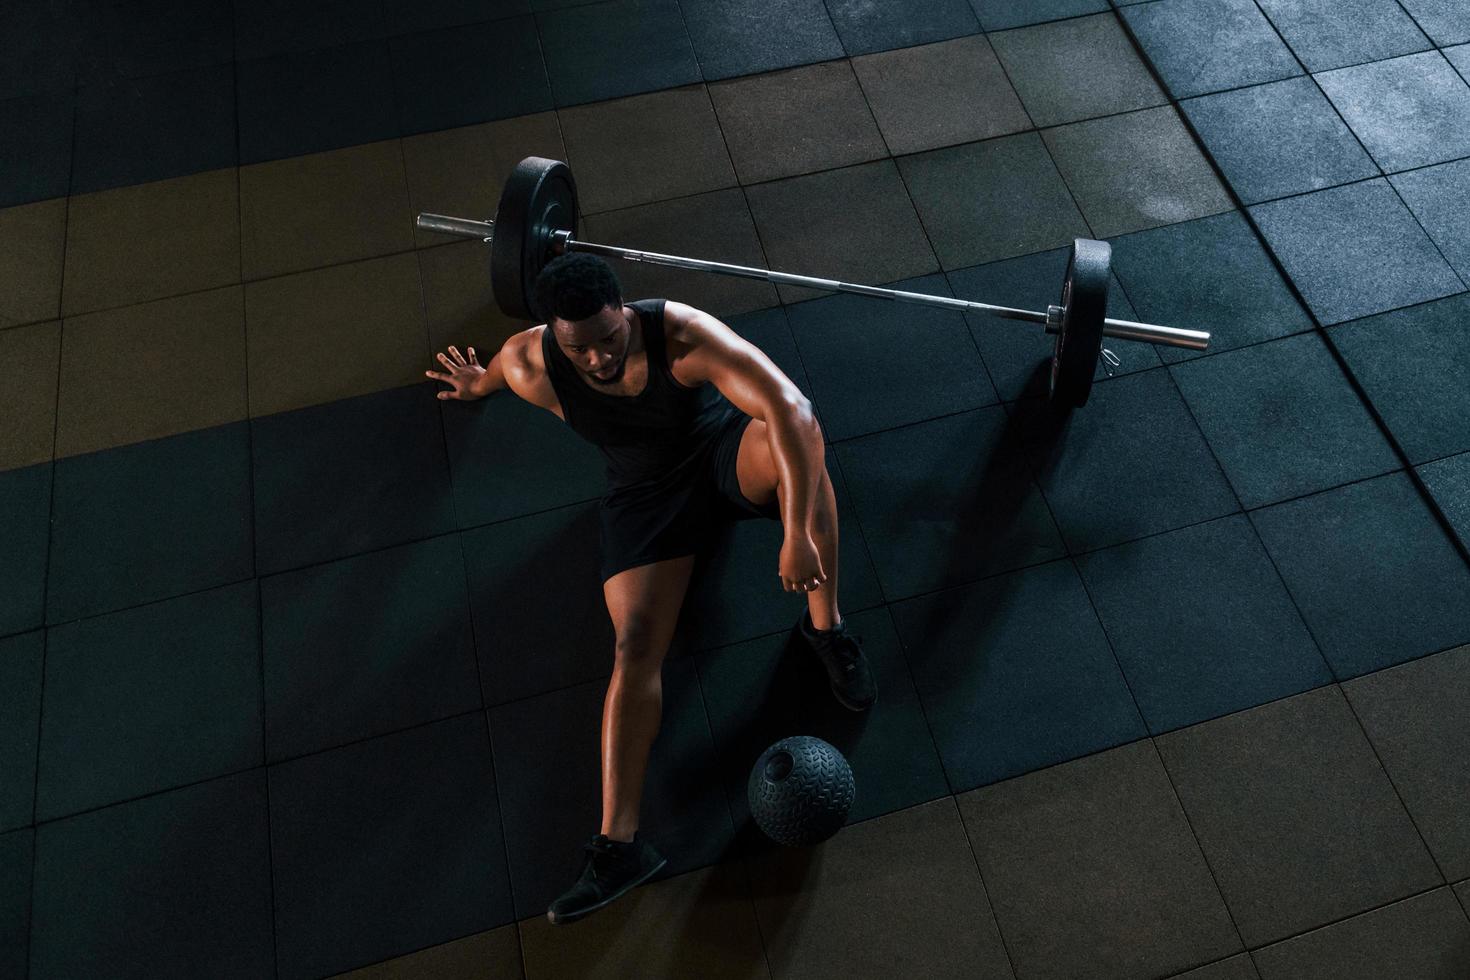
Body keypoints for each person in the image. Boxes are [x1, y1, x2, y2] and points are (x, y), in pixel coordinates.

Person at [425, 253, 876, 925]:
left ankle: (825, 627)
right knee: (634, 649)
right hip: (644, 498)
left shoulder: (683, 336)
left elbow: (795, 410)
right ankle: (618, 849)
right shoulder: (530, 365)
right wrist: (474, 385)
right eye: (581, 349)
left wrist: (797, 537)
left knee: (804, 468)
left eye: (611, 340)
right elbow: (499, 372)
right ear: (554, 334)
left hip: (721, 456)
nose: (600, 358)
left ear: (625, 313)